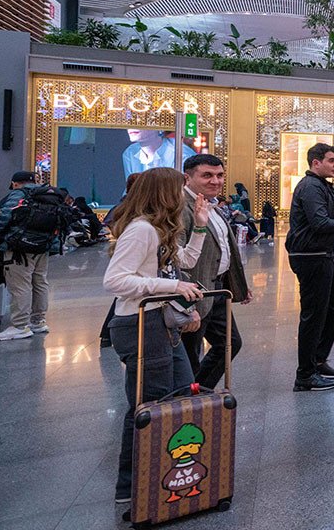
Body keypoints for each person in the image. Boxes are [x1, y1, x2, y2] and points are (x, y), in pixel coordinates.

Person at [103, 167, 209, 504]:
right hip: (139, 325)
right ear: (164, 192)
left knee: (177, 395)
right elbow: (116, 280)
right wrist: (172, 287)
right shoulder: (141, 230)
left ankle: (161, 473)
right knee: (148, 405)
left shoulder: (158, 230)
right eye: (180, 189)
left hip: (158, 323)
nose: (184, 195)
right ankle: (131, 485)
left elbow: (184, 262)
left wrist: (200, 227)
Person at [179, 155, 249, 389]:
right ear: (187, 178)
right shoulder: (182, 209)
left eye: (219, 175)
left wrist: (238, 284)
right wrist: (185, 305)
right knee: (189, 353)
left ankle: (198, 391)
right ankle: (185, 402)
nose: (215, 181)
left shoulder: (213, 206)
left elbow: (223, 250)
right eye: (207, 175)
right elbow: (175, 260)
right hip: (193, 294)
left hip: (217, 290)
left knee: (230, 343)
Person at [286, 143, 334, 392]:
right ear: (316, 163)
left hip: (320, 254)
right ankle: (305, 374)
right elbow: (320, 222)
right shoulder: (311, 186)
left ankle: (318, 359)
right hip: (311, 255)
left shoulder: (320, 186)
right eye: (331, 160)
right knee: (314, 314)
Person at [0, 171, 68, 341]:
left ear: (15, 183)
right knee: (40, 282)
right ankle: (38, 321)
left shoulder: (18, 195)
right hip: (43, 246)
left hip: (18, 248)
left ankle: (20, 326)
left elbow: (5, 219)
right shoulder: (47, 194)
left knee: (20, 285)